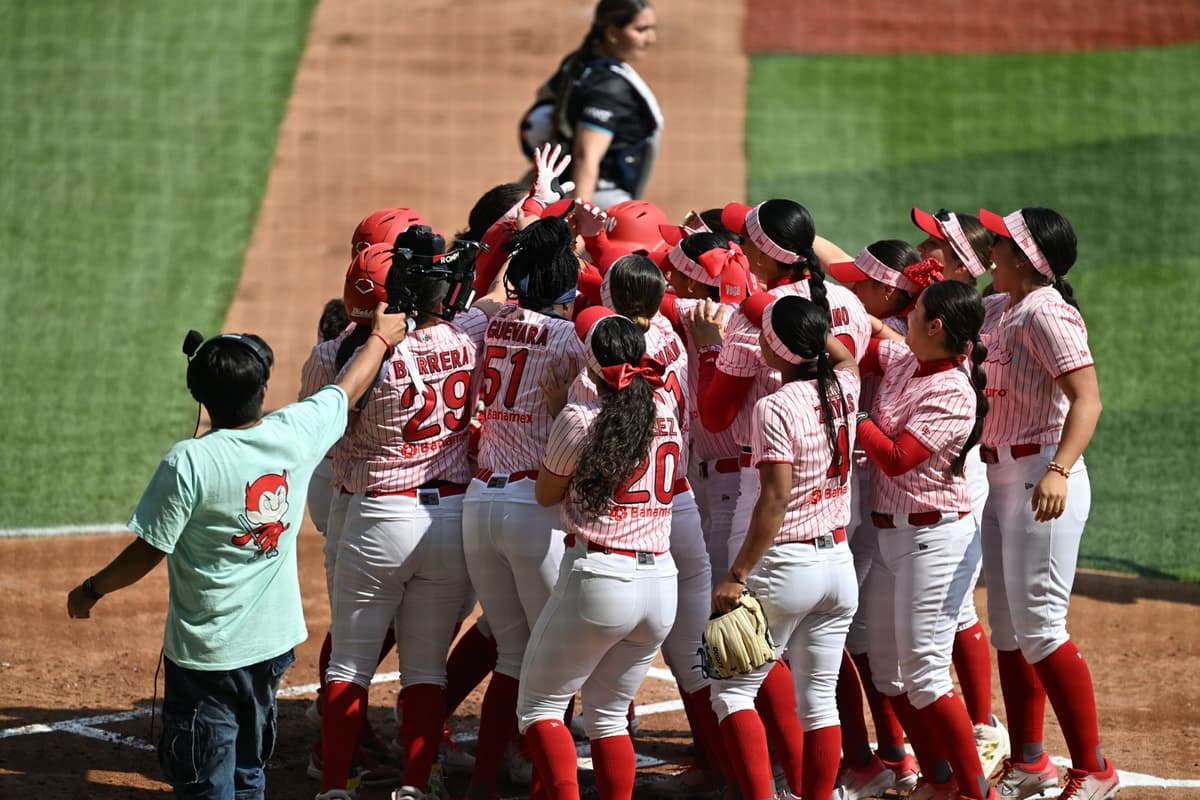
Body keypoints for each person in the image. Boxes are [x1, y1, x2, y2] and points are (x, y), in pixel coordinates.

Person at [66, 303, 411, 800]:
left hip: (207, 657)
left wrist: (90, 590)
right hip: (271, 648)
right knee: (250, 771)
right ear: (262, 391)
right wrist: (380, 336)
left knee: (206, 782)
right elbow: (347, 388)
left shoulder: (189, 461)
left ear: (199, 395)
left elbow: (148, 550)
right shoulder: (294, 432)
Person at [316, 239, 506, 800]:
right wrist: (521, 225)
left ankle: (333, 786)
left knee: (349, 665)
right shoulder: (466, 335)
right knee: (426, 670)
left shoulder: (336, 354)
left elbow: (319, 427)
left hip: (378, 517)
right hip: (448, 522)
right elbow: (493, 300)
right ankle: (415, 788)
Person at [974, 208, 1116, 800]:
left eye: (1002, 243)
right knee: (1009, 630)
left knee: (1041, 628)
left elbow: (1087, 399)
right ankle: (1031, 760)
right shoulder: (999, 308)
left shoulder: (1046, 312)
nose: (993, 249)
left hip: (1042, 480)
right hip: (1001, 479)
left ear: (1028, 258)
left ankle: (1095, 768)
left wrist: (1059, 469)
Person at [517, 310, 680, 800]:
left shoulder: (578, 418)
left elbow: (546, 494)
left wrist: (561, 418)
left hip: (602, 577)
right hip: (661, 585)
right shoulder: (666, 413)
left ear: (592, 367)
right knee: (608, 716)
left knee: (540, 708)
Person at [709, 294, 861, 800]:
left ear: (778, 349)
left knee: (731, 692)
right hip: (838, 564)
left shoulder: (774, 406)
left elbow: (774, 499)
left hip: (785, 566)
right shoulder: (846, 387)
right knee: (820, 703)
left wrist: (737, 574)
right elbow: (845, 356)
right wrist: (814, 330)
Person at [460, 213, 587, 800]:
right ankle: (545, 787)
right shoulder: (569, 340)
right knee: (555, 663)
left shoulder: (495, 322)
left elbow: (486, 294)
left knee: (512, 654)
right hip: (536, 511)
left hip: (480, 505)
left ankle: (484, 781)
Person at [855, 279, 994, 800]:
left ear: (935, 327)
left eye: (914, 314)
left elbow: (896, 459)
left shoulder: (953, 392)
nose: (905, 319)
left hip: (935, 541)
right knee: (889, 673)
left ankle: (977, 792)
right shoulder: (908, 360)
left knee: (927, 674)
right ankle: (938, 781)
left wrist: (858, 418)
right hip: (892, 537)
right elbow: (869, 337)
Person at [522, 0, 661, 207]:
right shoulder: (607, 87)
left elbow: (545, 97)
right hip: (599, 197)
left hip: (557, 187)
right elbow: (586, 156)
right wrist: (579, 214)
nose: (651, 39)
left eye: (651, 29)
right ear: (612, 33)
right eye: (641, 30)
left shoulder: (577, 63)